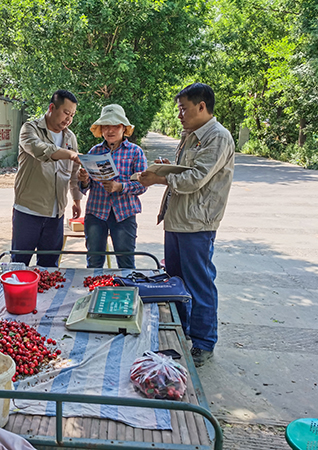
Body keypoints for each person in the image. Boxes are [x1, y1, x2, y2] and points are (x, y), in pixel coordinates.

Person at [139, 83, 235, 367]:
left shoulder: (217, 137)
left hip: (197, 224)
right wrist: (167, 168)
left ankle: (204, 342)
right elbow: (186, 171)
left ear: (202, 106)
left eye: (184, 108)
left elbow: (195, 179)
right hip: (177, 219)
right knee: (176, 281)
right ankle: (180, 332)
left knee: (199, 284)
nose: (180, 114)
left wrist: (158, 178)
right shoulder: (191, 136)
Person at [12, 89, 82, 267]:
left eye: (72, 115)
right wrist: (71, 154)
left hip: (56, 215)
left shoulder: (70, 137)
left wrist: (76, 199)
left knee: (50, 267)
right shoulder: (30, 129)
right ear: (52, 107)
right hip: (28, 212)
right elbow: (39, 150)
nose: (69, 119)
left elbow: (73, 174)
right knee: (19, 266)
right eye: (66, 113)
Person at [78, 104, 147, 268]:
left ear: (124, 128)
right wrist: (84, 179)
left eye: (115, 126)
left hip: (124, 214)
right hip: (96, 213)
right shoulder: (94, 152)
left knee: (126, 263)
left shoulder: (135, 152)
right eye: (106, 126)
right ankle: (95, 292)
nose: (110, 130)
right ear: (101, 130)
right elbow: (84, 188)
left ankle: (126, 292)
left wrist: (120, 187)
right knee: (94, 262)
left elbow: (143, 185)